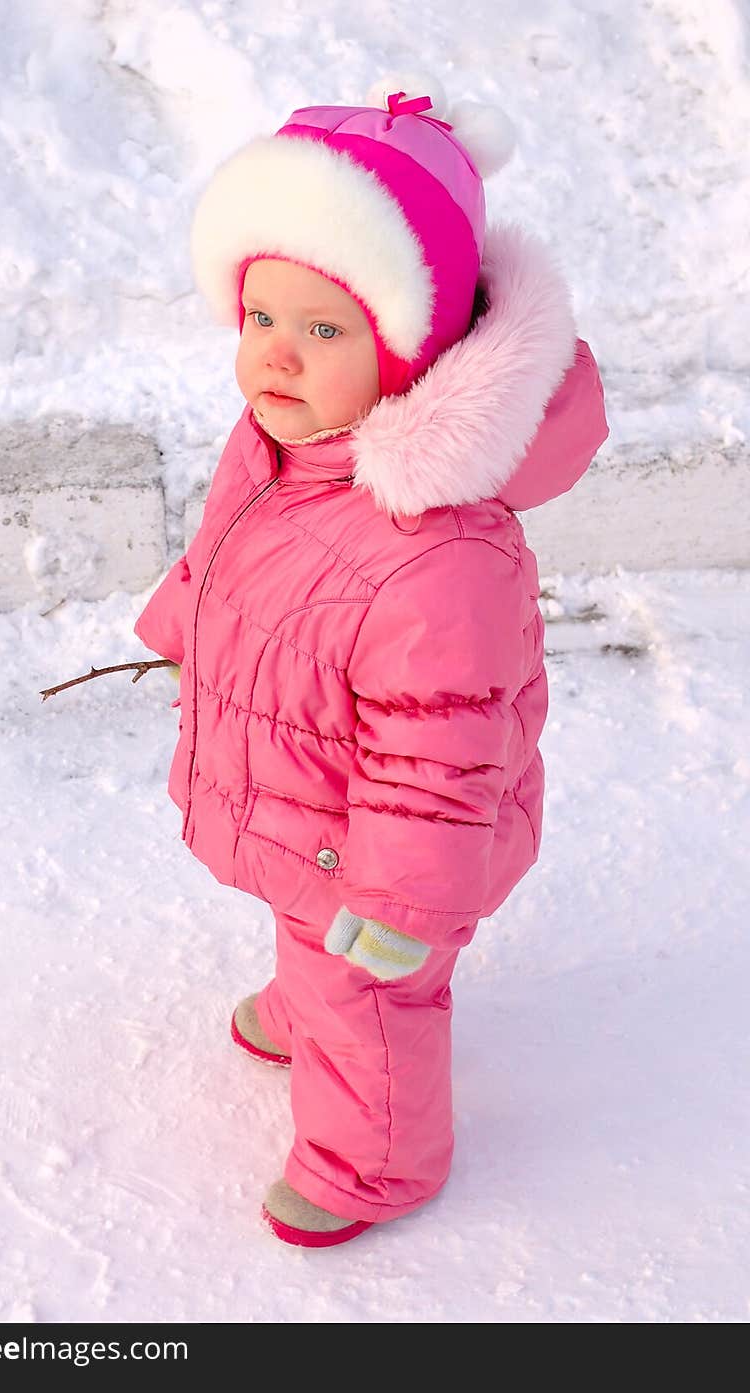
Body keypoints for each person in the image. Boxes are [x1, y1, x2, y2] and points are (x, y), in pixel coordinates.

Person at [134, 74, 610, 1247]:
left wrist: (403, 902)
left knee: (373, 985)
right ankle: (309, 997)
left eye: (324, 329)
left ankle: (376, 1158)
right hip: (314, 803)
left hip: (396, 844)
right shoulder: (281, 444)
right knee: (311, 921)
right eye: (260, 319)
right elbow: (226, 553)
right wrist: (181, 623)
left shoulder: (442, 549)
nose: (277, 357)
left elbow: (441, 750)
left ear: (407, 346)